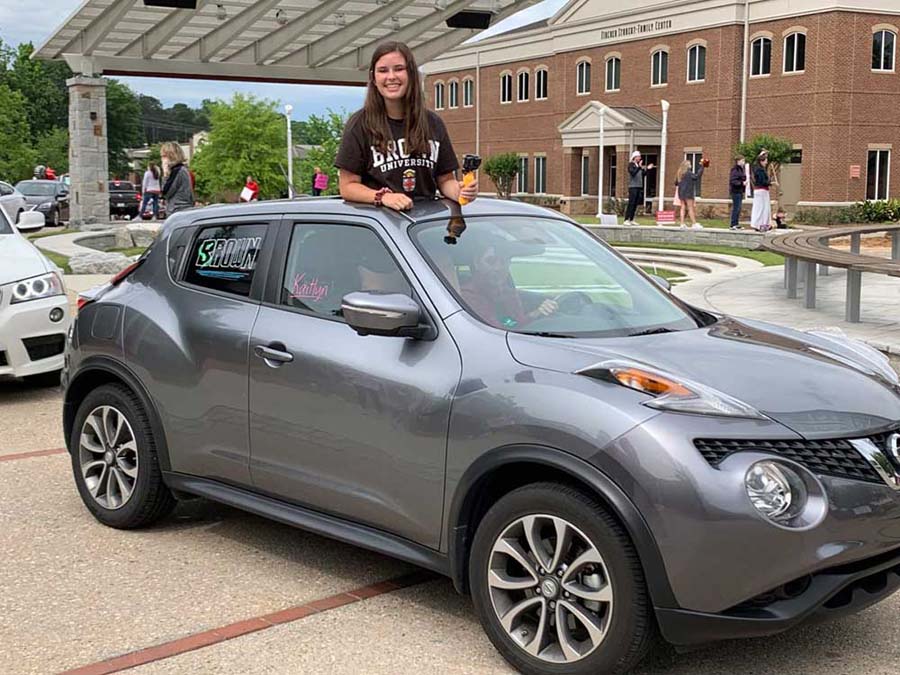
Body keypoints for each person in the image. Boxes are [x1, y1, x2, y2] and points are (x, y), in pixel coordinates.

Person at [335, 41, 478, 211]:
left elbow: (445, 180)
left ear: (411, 74)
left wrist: (460, 192)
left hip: (425, 227)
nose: (391, 76)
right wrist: (384, 197)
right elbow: (348, 186)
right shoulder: (359, 125)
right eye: (383, 70)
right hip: (380, 228)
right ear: (373, 78)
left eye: (398, 69)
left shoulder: (433, 123)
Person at [460, 241, 558, 329]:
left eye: (503, 261)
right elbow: (497, 331)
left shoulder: (508, 293)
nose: (498, 268)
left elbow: (515, 324)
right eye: (491, 261)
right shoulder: (468, 295)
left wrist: (539, 312)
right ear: (477, 262)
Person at [160, 141, 194, 215]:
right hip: (183, 209)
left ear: (171, 156)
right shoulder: (183, 170)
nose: (162, 159)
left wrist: (165, 173)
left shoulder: (177, 171)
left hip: (178, 210)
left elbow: (166, 192)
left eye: (163, 156)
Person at [624, 151, 654, 226]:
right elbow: (633, 173)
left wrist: (648, 169)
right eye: (638, 157)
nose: (640, 158)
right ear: (635, 157)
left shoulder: (638, 166)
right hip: (633, 187)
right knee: (631, 203)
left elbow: (643, 174)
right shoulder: (631, 165)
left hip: (639, 186)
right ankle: (626, 219)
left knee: (635, 204)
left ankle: (632, 219)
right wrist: (639, 167)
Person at [676, 159, 705, 229]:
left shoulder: (679, 173)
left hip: (681, 193)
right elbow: (696, 176)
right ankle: (694, 223)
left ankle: (682, 224)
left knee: (682, 207)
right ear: (687, 166)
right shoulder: (688, 173)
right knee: (690, 207)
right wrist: (702, 167)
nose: (691, 165)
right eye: (690, 164)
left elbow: (676, 183)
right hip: (688, 192)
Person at [750, 150, 772, 231]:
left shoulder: (759, 169)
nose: (766, 162)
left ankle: (764, 224)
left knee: (764, 208)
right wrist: (770, 183)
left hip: (762, 191)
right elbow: (762, 181)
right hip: (761, 191)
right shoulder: (759, 170)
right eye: (765, 161)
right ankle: (758, 224)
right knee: (761, 208)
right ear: (761, 161)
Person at [728, 156, 746, 230]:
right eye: (742, 160)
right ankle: (733, 224)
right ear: (738, 161)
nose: (743, 162)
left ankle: (736, 223)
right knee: (736, 208)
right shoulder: (735, 170)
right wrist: (742, 183)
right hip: (736, 191)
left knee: (738, 208)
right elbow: (733, 181)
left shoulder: (741, 169)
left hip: (740, 191)